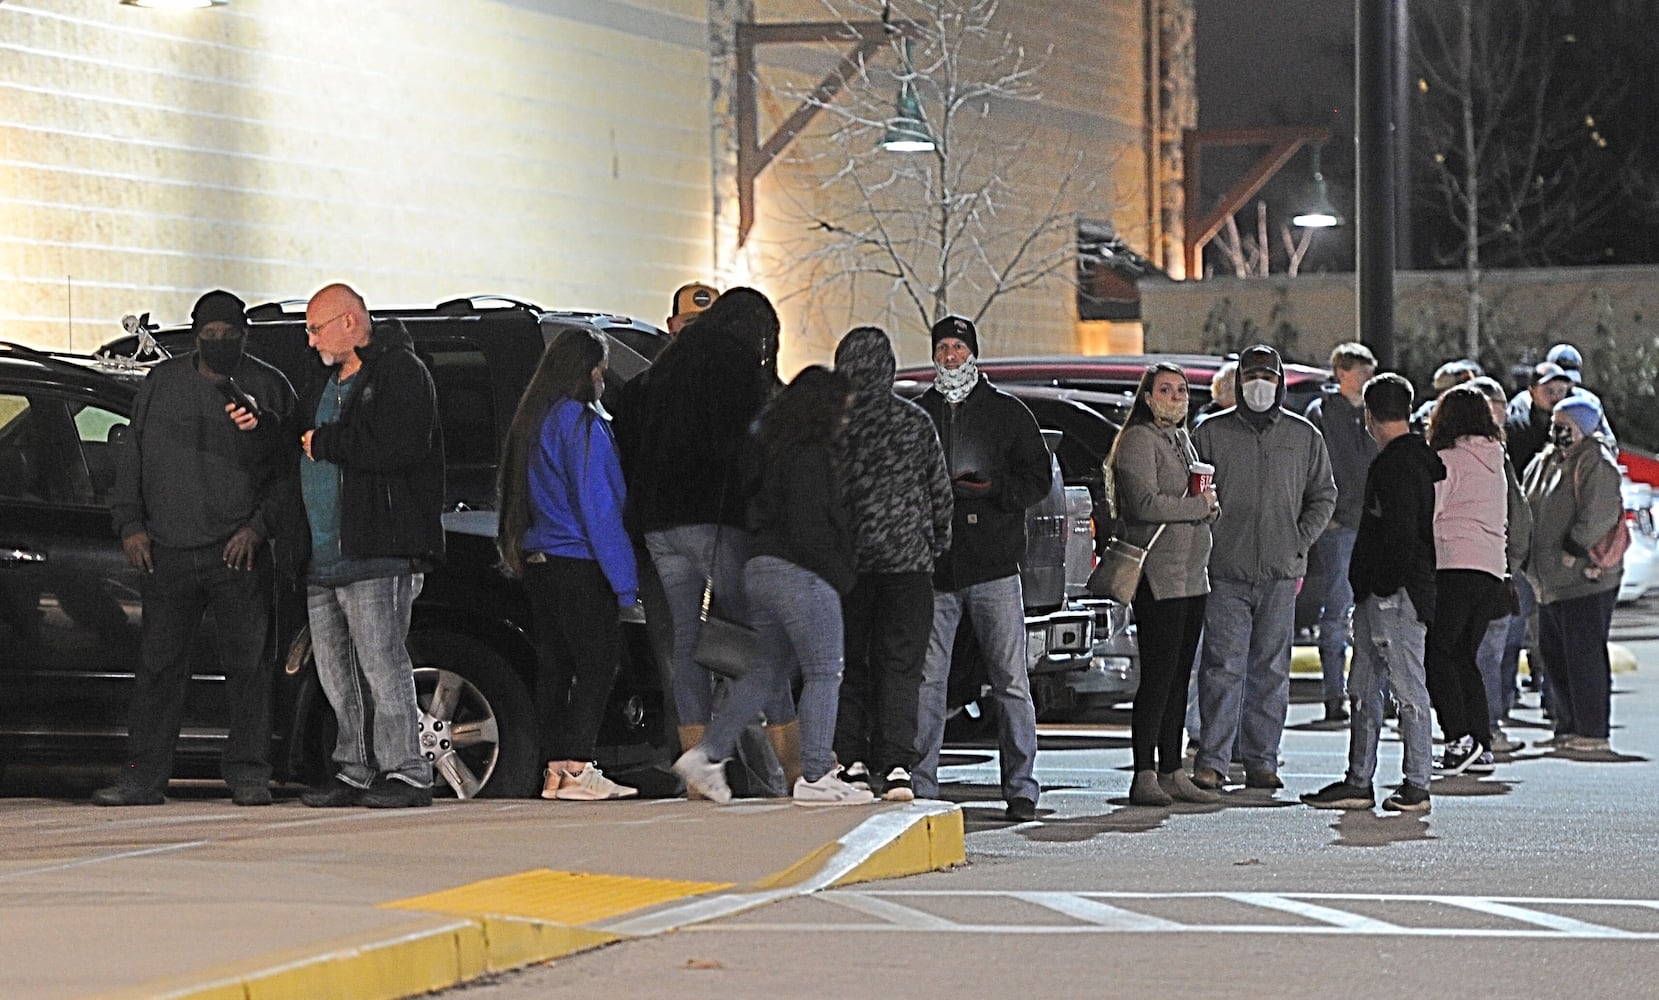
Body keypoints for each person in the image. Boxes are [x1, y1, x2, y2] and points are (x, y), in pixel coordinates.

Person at [95, 290, 297, 807]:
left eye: (229, 336)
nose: (219, 345)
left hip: (239, 555)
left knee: (248, 670)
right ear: (194, 334)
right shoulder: (161, 384)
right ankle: (142, 778)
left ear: (244, 334)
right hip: (167, 553)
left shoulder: (269, 387)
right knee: (159, 671)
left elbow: (290, 473)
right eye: (209, 337)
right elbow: (131, 460)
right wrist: (131, 525)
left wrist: (257, 528)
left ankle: (249, 774)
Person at [617, 288, 801, 791]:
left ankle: (698, 769)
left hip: (658, 528)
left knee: (684, 646)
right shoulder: (738, 369)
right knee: (763, 640)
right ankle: (797, 769)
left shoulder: (657, 376)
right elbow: (745, 450)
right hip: (716, 523)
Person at [673, 367, 872, 806]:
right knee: (825, 670)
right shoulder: (811, 457)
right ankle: (817, 772)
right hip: (802, 573)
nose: (845, 419)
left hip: (760, 569)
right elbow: (813, 527)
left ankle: (707, 757)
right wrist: (843, 573)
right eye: (843, 410)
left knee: (765, 670)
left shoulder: (770, 450)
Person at [297, 283, 445, 808]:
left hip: (377, 549)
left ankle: (407, 770)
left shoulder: (401, 372)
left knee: (382, 663)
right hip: (325, 554)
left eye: (316, 328)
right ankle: (355, 769)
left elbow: (398, 445)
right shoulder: (329, 379)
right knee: (338, 673)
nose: (310, 341)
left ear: (350, 322)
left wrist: (326, 442)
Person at [913, 316, 1053, 822]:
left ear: (974, 353)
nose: (951, 357)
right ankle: (921, 782)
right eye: (944, 348)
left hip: (994, 565)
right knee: (929, 679)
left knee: (1010, 679)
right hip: (937, 568)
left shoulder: (1006, 413)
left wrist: (994, 493)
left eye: (958, 347)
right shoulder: (920, 413)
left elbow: (1037, 477)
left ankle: (1021, 786)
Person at [497, 328, 639, 801]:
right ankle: (578, 766)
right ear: (585, 373)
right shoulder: (582, 425)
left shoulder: (531, 422)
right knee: (599, 663)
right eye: (600, 371)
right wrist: (624, 582)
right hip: (578, 561)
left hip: (538, 562)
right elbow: (599, 509)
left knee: (556, 669)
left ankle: (556, 769)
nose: (602, 381)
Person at [1189, 344, 1336, 791]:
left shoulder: (1304, 436)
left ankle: (1262, 759)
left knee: (1271, 672)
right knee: (1221, 668)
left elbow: (1324, 495)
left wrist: (1299, 541)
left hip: (1279, 571)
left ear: (1279, 382)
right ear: (1238, 381)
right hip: (1224, 570)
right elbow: (1192, 491)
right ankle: (1213, 759)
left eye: (1267, 376)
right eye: (1252, 375)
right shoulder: (1211, 433)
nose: (1259, 384)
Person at [1301, 373, 1442, 813]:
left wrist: (1381, 586)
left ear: (1369, 415)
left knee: (1404, 688)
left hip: (1394, 595)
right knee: (1365, 686)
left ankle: (1416, 783)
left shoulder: (1395, 465)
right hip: (1387, 592)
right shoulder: (1419, 459)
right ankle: (1359, 780)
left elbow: (1399, 533)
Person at [830, 326, 954, 801]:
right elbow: (938, 492)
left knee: (851, 665)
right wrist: (935, 544)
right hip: (908, 567)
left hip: (849, 568)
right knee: (901, 668)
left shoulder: (834, 424)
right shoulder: (915, 421)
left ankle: (854, 760)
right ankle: (899, 765)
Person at [1107, 363, 1220, 806]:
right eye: (1164, 390)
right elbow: (1146, 503)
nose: (1173, 397)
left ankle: (1174, 767)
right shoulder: (1138, 441)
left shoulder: (1180, 438)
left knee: (1179, 676)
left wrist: (1210, 507)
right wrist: (1196, 507)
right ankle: (1144, 772)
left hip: (1192, 574)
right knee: (1157, 676)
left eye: (1180, 390)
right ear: (1147, 395)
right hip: (1159, 574)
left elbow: (1194, 495)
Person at [1522, 394, 1624, 753]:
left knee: (1584, 656)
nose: (1557, 430)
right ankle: (1567, 725)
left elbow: (1599, 512)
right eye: (1555, 423)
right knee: (1555, 655)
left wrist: (1573, 549)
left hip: (1583, 578)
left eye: (1565, 424)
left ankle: (1593, 730)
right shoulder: (1546, 461)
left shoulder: (1596, 462)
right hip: (1548, 582)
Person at [1423, 385, 1511, 775]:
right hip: (1490, 568)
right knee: (1464, 656)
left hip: (1453, 563)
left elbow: (1431, 512)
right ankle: (1481, 741)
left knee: (1436, 653)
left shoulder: (1447, 460)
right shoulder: (1495, 460)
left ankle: (1458, 738)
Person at [1303, 342, 1378, 725]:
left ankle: (1370, 692)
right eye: (1361, 371)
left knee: (1374, 612)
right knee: (1337, 609)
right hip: (1340, 525)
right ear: (1342, 373)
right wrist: (1326, 514)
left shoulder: (1373, 412)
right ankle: (1335, 693)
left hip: (1371, 522)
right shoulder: (1324, 413)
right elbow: (1319, 465)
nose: (1367, 378)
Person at [1469, 376, 1532, 753]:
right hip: (1493, 565)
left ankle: (1475, 729)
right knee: (1488, 653)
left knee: (1478, 652)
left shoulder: (1443, 450)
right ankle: (1487, 728)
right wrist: (1515, 559)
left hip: (1466, 565)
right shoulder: (1494, 456)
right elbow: (1518, 514)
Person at [1545, 342, 1615, 443]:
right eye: (1560, 378)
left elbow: (1609, 441)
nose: (1565, 384)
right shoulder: (1533, 400)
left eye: (1569, 380)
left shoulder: (1589, 402)